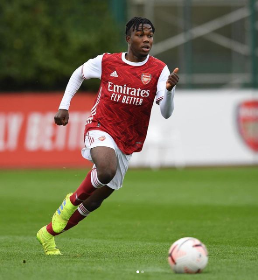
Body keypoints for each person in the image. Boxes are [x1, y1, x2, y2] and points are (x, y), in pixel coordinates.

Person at [36, 16, 179, 255]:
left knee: (94, 201)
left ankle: (48, 234)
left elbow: (166, 113)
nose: (146, 39)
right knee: (105, 170)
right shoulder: (107, 61)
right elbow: (78, 73)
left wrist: (169, 90)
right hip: (101, 125)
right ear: (128, 39)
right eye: (140, 35)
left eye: (150, 35)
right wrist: (64, 105)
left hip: (128, 139)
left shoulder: (158, 70)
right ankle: (69, 203)